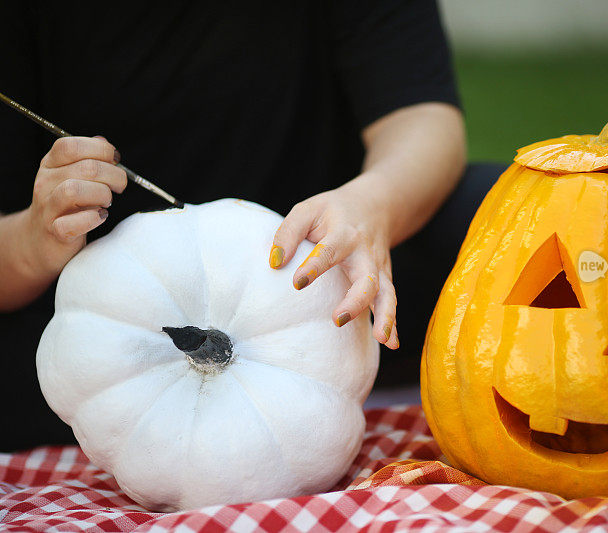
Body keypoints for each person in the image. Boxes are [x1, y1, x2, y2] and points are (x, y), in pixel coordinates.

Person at [0, 1, 499, 451]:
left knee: (513, 221)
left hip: (335, 266)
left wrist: (373, 204)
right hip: (99, 317)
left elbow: (420, 117)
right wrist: (34, 241)